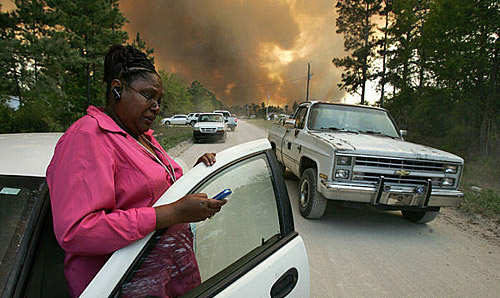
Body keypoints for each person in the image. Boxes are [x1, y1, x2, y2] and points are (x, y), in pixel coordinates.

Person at [46, 44, 226, 297]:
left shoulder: (142, 137)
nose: (156, 106)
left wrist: (194, 175)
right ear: (117, 89)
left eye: (159, 100)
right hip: (120, 286)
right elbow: (77, 231)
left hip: (164, 279)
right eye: (148, 95)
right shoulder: (88, 137)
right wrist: (173, 213)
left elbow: (148, 193)